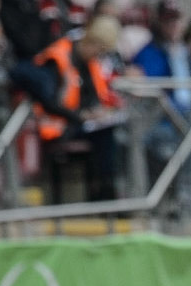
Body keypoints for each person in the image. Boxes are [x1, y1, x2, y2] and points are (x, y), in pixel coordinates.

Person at [11, 14, 124, 200]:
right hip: (58, 127)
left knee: (113, 133)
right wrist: (80, 116)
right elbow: (50, 102)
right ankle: (105, 195)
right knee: (106, 137)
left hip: (82, 124)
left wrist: (97, 112)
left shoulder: (91, 64)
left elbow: (93, 96)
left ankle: (106, 193)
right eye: (99, 50)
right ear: (93, 42)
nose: (99, 56)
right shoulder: (58, 56)